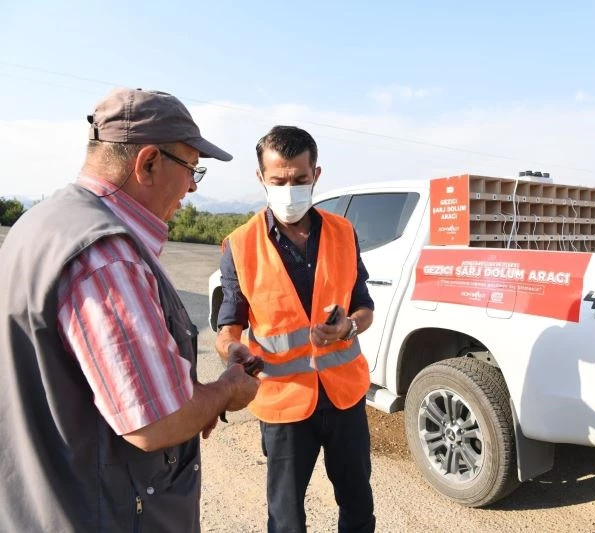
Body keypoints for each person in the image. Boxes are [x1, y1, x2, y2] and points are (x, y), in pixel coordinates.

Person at [0, 87, 261, 532]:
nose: (194, 186)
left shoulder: (41, 222)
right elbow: (155, 422)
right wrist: (226, 391)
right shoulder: (108, 257)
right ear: (149, 163)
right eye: (192, 168)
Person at [215, 125, 376, 533]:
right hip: (283, 405)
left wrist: (347, 330)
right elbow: (228, 328)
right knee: (285, 516)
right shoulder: (240, 245)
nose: (290, 189)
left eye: (300, 180)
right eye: (279, 180)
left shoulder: (343, 233)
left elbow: (364, 309)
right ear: (261, 179)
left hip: (344, 397)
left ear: (316, 175)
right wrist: (231, 350)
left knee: (358, 504)